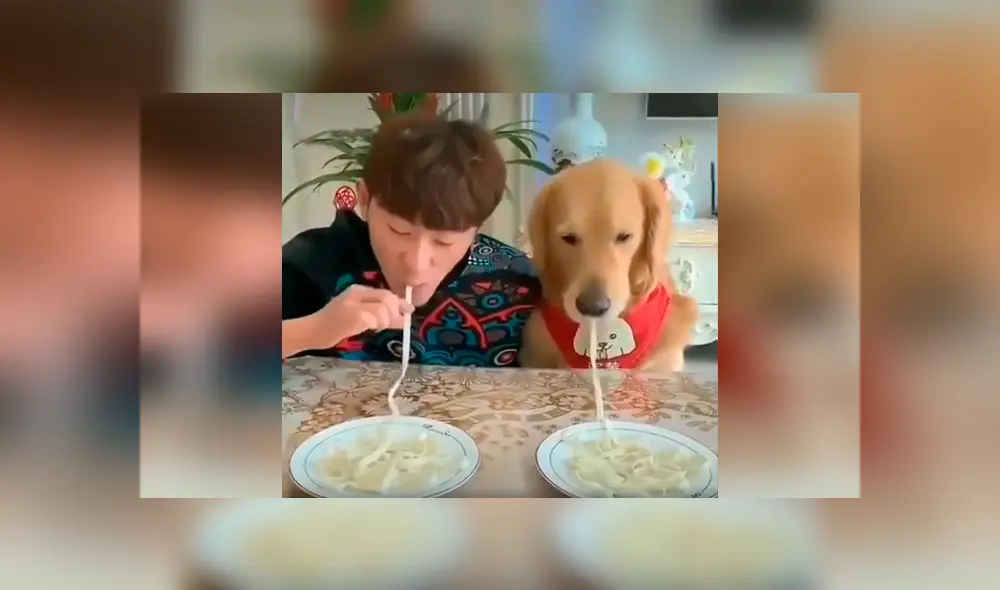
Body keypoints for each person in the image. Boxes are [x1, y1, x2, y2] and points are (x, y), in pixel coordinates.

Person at [282, 114, 540, 366]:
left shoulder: (520, 284)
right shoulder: (310, 264)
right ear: (364, 199)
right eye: (398, 231)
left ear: (476, 228)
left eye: (444, 242)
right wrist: (312, 330)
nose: (416, 265)